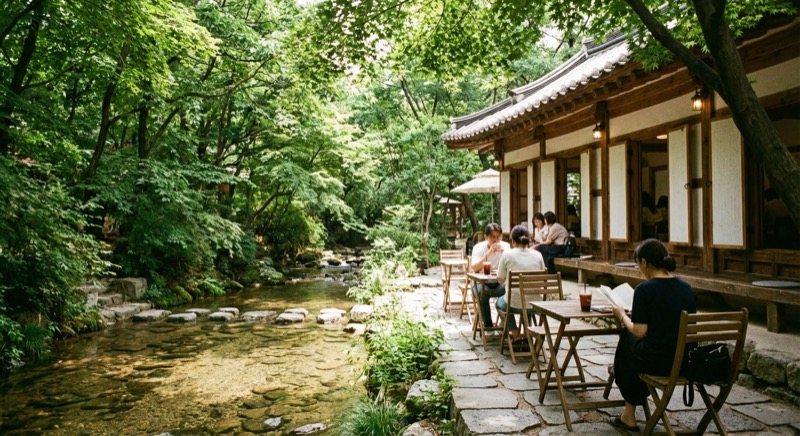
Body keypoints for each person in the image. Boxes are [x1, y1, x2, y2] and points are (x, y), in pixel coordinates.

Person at [609, 239, 696, 431]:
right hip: (684, 363)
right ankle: (627, 412)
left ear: (645, 262)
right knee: (633, 350)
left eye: (638, 263)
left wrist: (622, 315)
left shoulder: (644, 290)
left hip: (657, 362)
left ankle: (628, 412)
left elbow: (639, 331)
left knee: (627, 340)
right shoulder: (686, 288)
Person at [495, 225, 546, 341]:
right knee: (526, 299)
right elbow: (543, 278)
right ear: (528, 240)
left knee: (499, 302)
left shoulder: (507, 254)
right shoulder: (538, 255)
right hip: (536, 304)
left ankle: (514, 331)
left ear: (513, 241)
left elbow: (500, 279)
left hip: (514, 304)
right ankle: (528, 332)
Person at [471, 223, 511, 329]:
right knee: (482, 293)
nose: (496, 240)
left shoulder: (506, 247)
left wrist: (505, 252)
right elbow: (474, 268)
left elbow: (512, 265)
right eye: (493, 237)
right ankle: (488, 326)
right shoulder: (478, 248)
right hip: (481, 283)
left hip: (499, 282)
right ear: (486, 237)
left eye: (499, 237)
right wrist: (488, 253)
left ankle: (504, 322)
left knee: (509, 290)